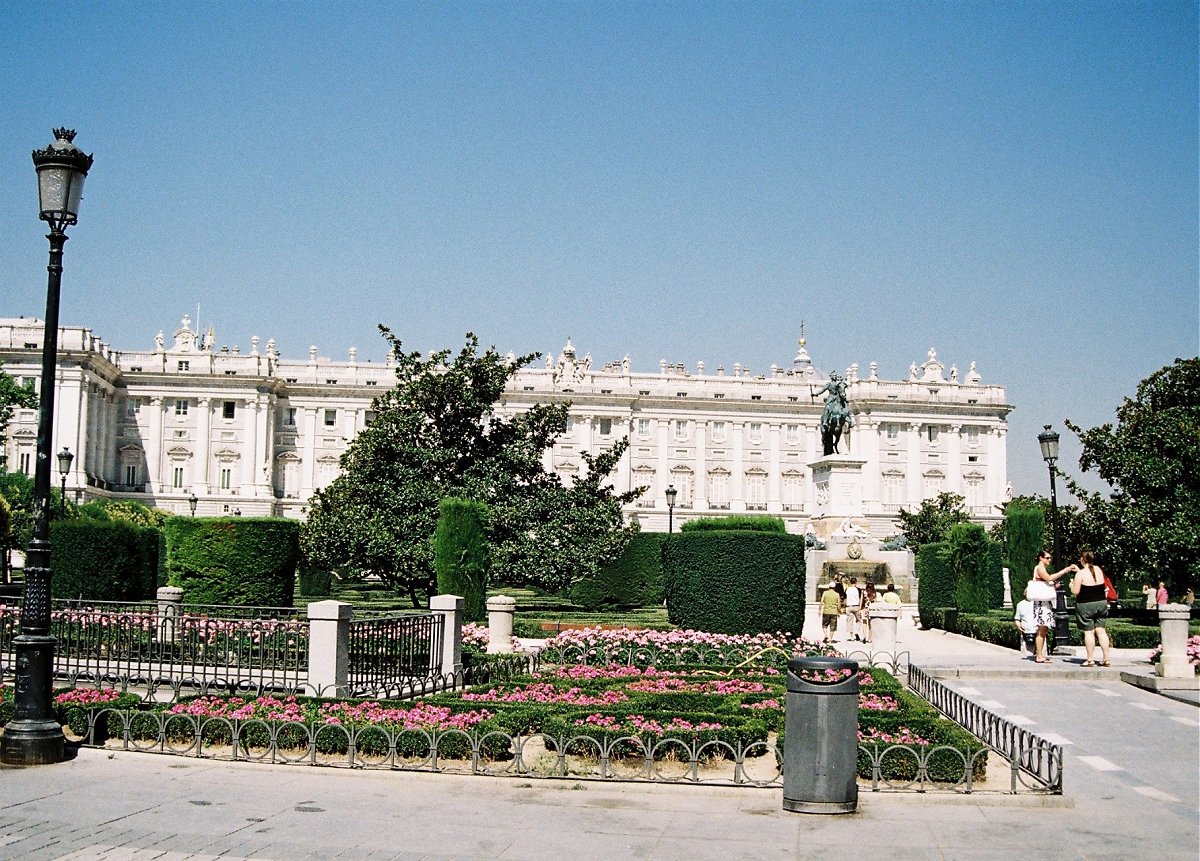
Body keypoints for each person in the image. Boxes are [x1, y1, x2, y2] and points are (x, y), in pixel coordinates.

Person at [1030, 551, 1074, 664]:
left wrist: (1053, 585)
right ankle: (1039, 655)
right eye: (1047, 558)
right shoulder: (1040, 568)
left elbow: (1046, 581)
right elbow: (1048, 578)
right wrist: (1065, 571)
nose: (1049, 560)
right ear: (1041, 558)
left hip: (1044, 601)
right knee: (1042, 628)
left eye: (1050, 558)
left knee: (1044, 628)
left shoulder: (1042, 568)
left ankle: (1040, 654)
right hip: (1041, 603)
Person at [1070, 551, 1112, 667]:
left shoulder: (1080, 574)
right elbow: (1092, 577)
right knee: (1101, 630)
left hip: (1086, 604)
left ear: (1082, 559)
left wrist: (1071, 585)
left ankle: (1090, 659)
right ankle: (1106, 659)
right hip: (1101, 603)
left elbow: (1075, 591)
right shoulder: (1098, 569)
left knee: (1089, 632)